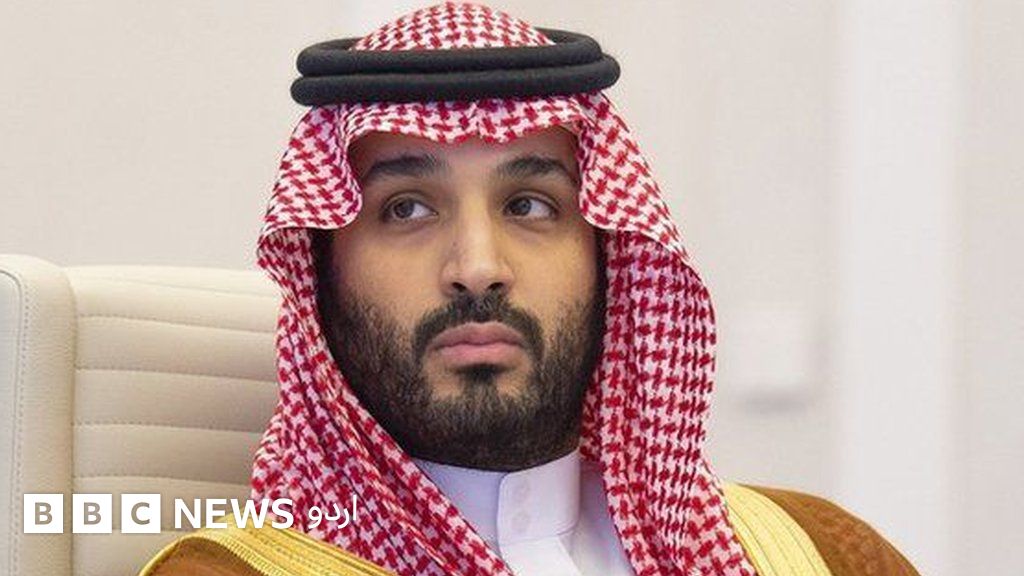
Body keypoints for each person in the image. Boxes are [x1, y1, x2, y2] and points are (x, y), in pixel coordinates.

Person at [140, 3, 920, 575]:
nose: (478, 266)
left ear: (610, 256)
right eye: (407, 209)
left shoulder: (818, 552)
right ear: (322, 274)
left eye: (530, 206)